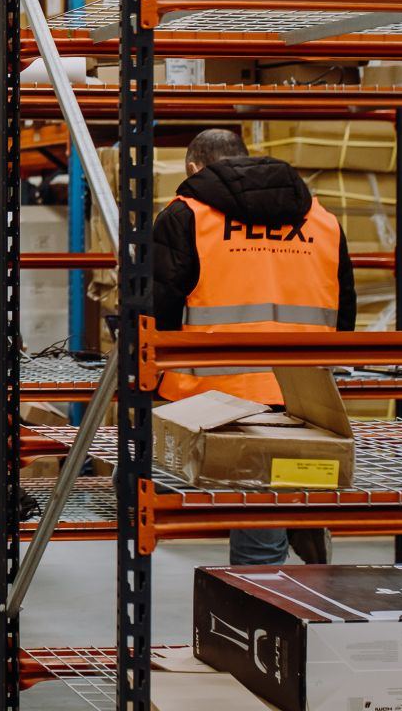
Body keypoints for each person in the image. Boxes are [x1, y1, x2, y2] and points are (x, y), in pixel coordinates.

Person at [151, 128, 353, 567]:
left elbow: (157, 310)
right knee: (264, 505)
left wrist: (150, 375)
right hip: (304, 394)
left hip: (209, 395)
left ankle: (259, 611)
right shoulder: (322, 220)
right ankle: (298, 513)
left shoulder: (186, 215)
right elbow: (345, 311)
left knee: (152, 482)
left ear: (193, 168)